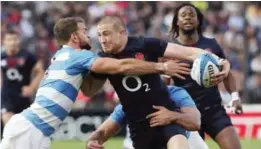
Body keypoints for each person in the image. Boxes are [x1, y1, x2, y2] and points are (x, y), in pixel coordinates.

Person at [0, 17, 186, 149]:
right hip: (29, 130)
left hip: (36, 131)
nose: (90, 36)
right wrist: (161, 67)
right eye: (84, 31)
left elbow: (89, 90)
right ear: (74, 37)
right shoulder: (78, 56)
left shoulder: (62, 55)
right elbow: (121, 66)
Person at [89, 15, 230, 149]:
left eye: (106, 34)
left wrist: (220, 61)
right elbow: (102, 131)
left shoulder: (144, 45)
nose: (102, 40)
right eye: (99, 35)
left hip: (167, 120)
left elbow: (188, 53)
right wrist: (94, 140)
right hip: (139, 131)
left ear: (122, 32)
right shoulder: (103, 59)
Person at [166, 3, 242, 149]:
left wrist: (235, 97)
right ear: (177, 21)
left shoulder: (211, 45)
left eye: (191, 15)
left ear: (198, 20)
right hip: (187, 113)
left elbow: (227, 73)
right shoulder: (170, 50)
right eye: (183, 15)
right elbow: (164, 85)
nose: (188, 18)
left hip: (213, 110)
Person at [87, 85, 208, 149]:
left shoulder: (174, 93)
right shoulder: (129, 102)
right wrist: (93, 141)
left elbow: (196, 122)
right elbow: (102, 132)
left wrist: (172, 116)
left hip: (188, 142)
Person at [1, 30, 44, 129]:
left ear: (19, 40)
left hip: (23, 98)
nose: (12, 42)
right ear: (4, 41)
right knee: (9, 126)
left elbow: (40, 71)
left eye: (14, 39)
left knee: (23, 129)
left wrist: (31, 88)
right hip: (7, 97)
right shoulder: (2, 56)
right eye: (9, 39)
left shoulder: (27, 56)